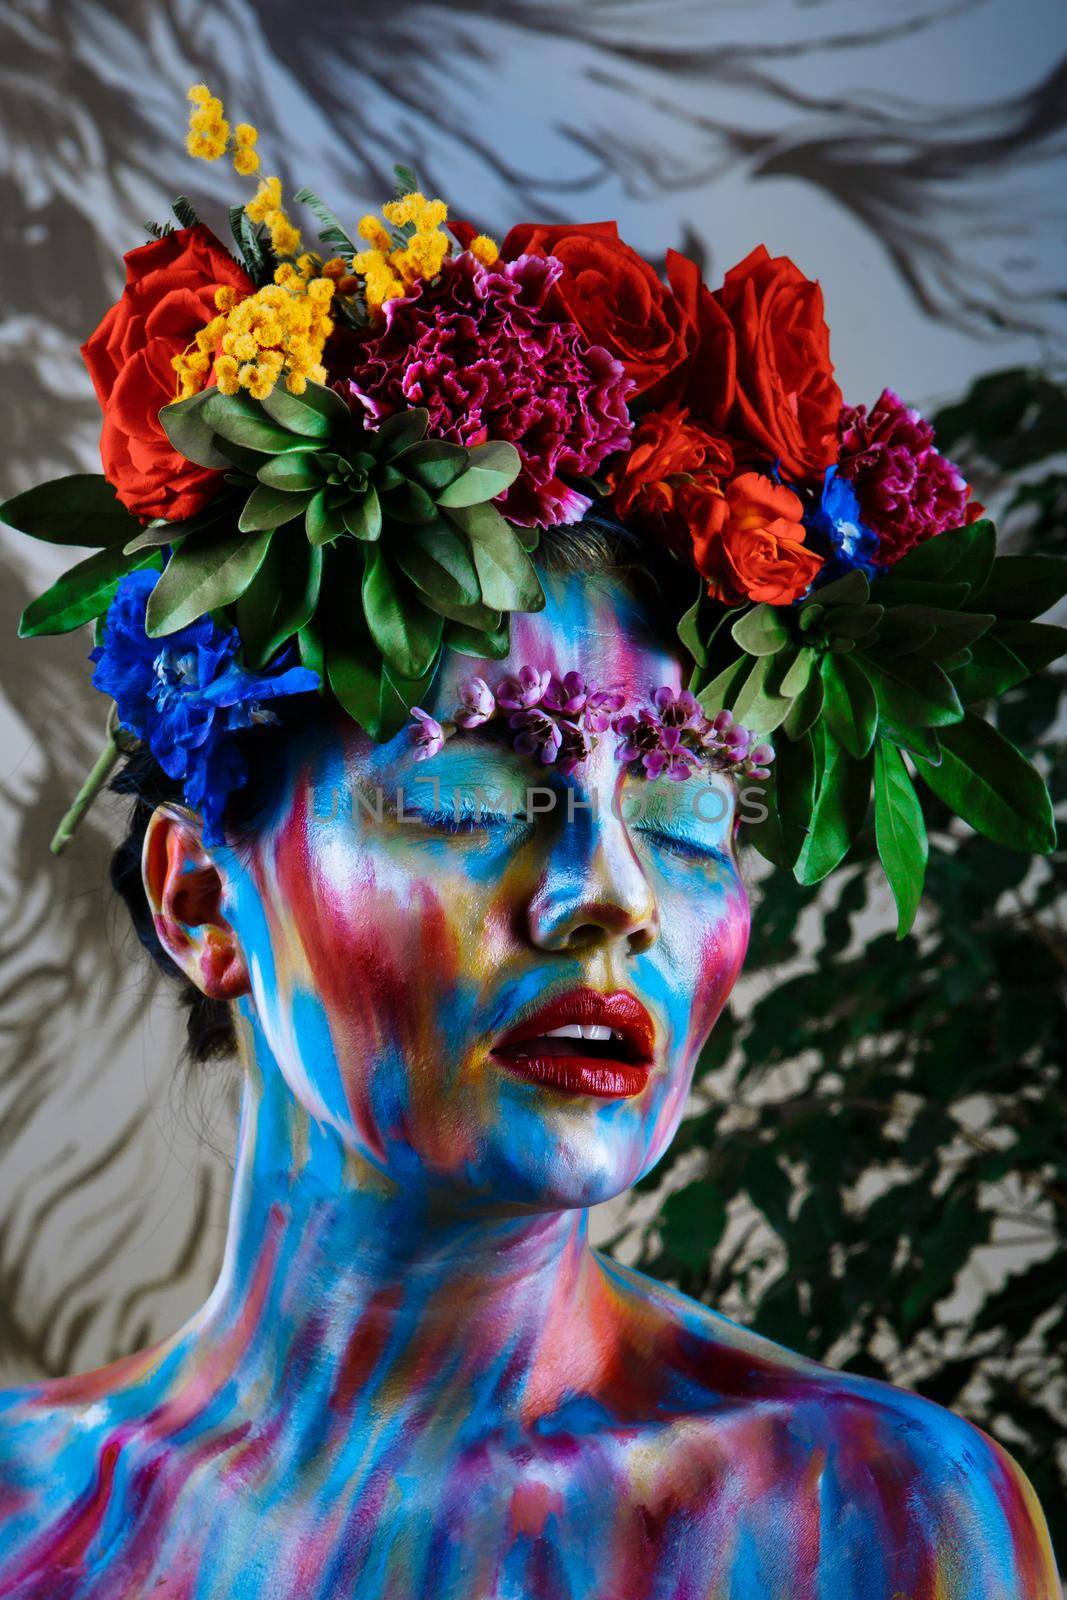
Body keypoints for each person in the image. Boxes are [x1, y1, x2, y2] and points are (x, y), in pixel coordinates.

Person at [0, 84, 1061, 1599]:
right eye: (466, 796)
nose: (611, 895)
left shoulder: (864, 1528)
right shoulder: (24, 1521)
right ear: (200, 900)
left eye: (689, 814)